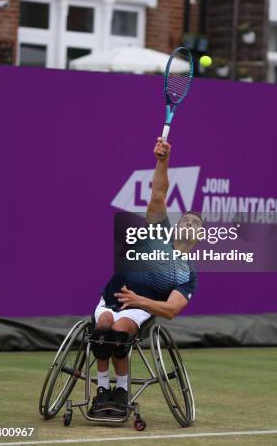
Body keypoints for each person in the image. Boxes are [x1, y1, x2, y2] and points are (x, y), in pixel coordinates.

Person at [89, 137, 202, 417]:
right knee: (103, 324)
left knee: (118, 331)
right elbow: (158, 195)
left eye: (196, 224)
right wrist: (162, 161)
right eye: (186, 220)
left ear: (198, 237)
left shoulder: (187, 274)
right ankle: (103, 391)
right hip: (109, 299)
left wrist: (139, 301)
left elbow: (172, 310)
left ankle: (122, 391)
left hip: (139, 310)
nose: (189, 223)